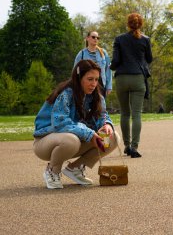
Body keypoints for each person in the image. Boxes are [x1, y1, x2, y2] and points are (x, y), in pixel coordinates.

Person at [33, 60, 118, 189]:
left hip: (76, 140)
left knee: (113, 137)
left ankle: (75, 169)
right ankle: (52, 171)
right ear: (79, 78)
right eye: (90, 79)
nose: (94, 84)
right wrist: (89, 133)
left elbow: (103, 115)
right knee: (71, 140)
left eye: (96, 79)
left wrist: (106, 125)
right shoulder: (65, 94)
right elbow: (60, 123)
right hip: (46, 141)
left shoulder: (97, 97)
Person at [111, 13, 153, 158]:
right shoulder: (145, 40)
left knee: (124, 113)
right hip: (138, 78)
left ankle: (127, 145)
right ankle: (134, 147)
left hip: (122, 77)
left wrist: (111, 66)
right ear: (140, 24)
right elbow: (149, 59)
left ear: (127, 24)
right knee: (136, 114)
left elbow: (115, 61)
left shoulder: (119, 39)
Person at [74, 31, 112, 98]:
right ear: (87, 38)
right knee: (85, 106)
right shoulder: (81, 54)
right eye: (93, 37)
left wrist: (109, 87)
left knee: (101, 106)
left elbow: (108, 70)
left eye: (98, 38)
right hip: (86, 85)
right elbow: (75, 71)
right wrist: (76, 86)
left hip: (101, 85)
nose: (96, 39)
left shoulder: (103, 52)